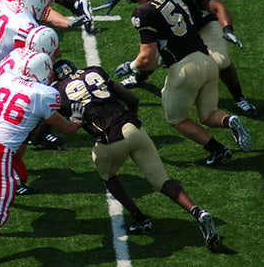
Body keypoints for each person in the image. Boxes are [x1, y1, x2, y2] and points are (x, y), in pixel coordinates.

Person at [52, 59, 222, 252]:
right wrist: (132, 116)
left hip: (110, 140)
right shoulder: (94, 71)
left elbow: (51, 123)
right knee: (162, 180)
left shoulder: (58, 90)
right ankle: (197, 212)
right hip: (133, 128)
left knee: (109, 176)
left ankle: (140, 219)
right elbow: (132, 99)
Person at [114, 0, 252, 166]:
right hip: (206, 59)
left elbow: (146, 57)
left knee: (176, 119)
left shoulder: (143, 13)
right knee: (208, 114)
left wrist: (131, 66)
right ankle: (228, 120)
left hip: (184, 69)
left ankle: (219, 150)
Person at [97, 0, 256, 117]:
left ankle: (239, 98)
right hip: (173, 29)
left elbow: (217, 6)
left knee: (222, 60)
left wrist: (227, 28)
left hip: (202, 25)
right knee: (150, 58)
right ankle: (140, 77)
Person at [0, 52, 84, 267]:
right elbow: (65, 128)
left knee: (15, 181)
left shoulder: (7, 78)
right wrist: (77, 119)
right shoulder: (44, 94)